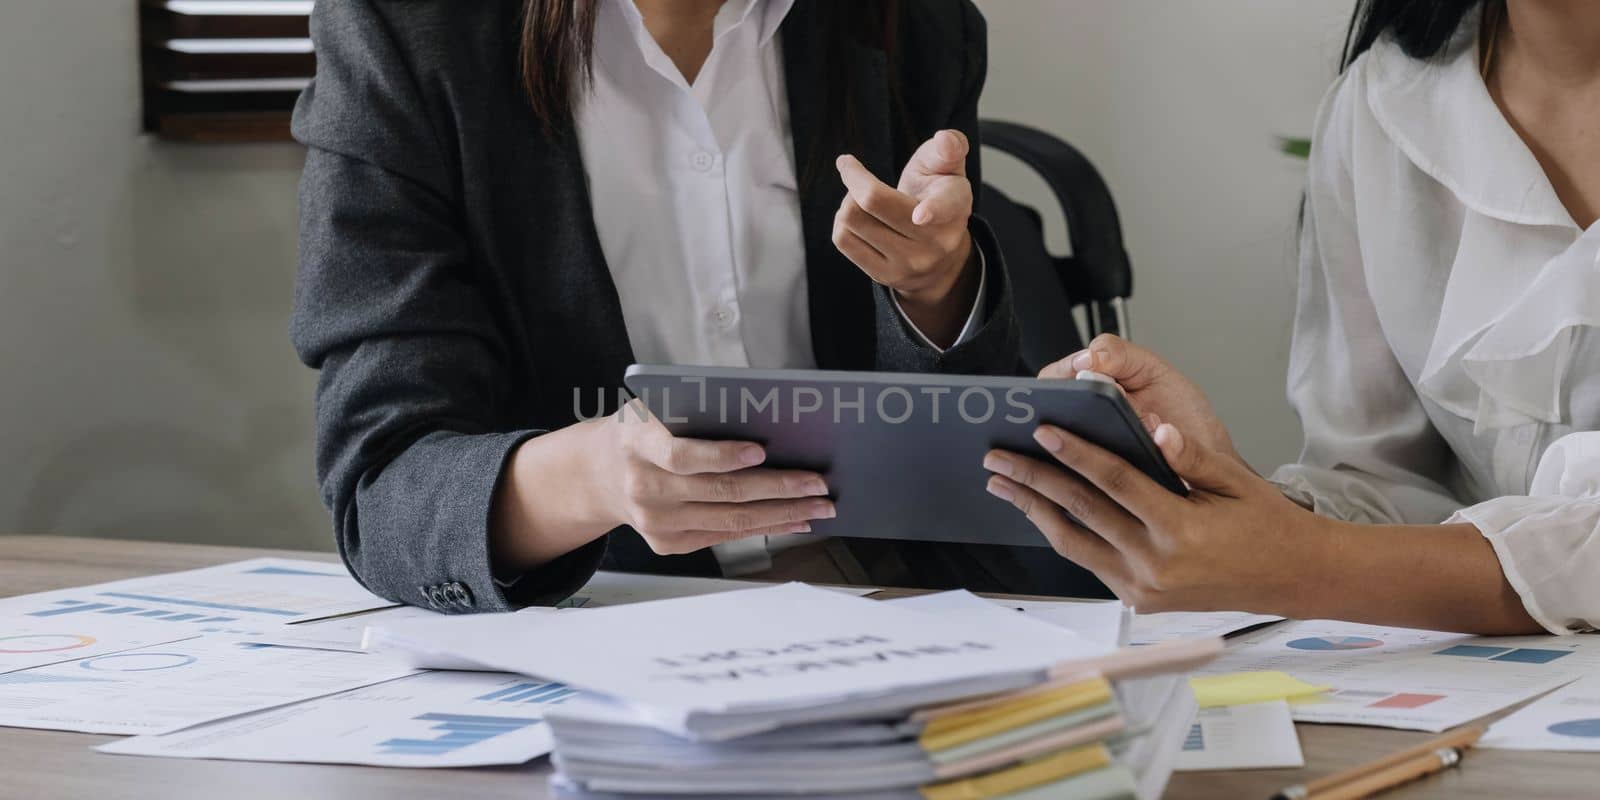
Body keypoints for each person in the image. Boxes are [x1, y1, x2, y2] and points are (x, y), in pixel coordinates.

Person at [292, 0, 1066, 613]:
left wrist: (934, 290)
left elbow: (967, 439)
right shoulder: (401, 30)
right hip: (605, 605)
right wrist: (596, 478)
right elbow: (383, 489)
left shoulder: (916, 22)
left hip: (894, 591)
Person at [984, 0, 1600, 635]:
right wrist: (1224, 492)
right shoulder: (1383, 103)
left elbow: (1323, 561)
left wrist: (1301, 563)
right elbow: (1380, 482)